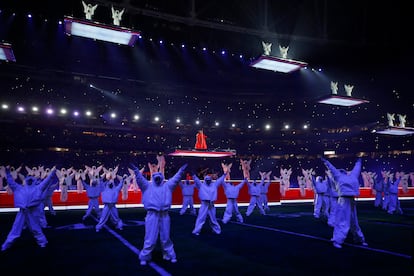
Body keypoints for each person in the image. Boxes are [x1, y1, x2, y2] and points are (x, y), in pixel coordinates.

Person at [131, 163, 187, 266]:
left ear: (161, 178)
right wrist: (135, 170)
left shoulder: (167, 187)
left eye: (159, 178)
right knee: (150, 237)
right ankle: (145, 256)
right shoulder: (147, 186)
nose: (157, 180)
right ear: (153, 178)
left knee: (166, 237)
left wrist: (181, 171)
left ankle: (169, 255)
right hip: (152, 215)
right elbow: (140, 179)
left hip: (164, 215)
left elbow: (175, 179)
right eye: (155, 178)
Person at [2, 167, 57, 251]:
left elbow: (47, 181)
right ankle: (6, 245)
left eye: (31, 179)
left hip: (32, 212)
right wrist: (8, 173)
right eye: (29, 179)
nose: (30, 180)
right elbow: (11, 182)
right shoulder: (19, 188)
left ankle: (43, 243)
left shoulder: (38, 187)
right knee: (15, 229)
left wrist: (52, 173)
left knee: (35, 228)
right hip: (23, 212)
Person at [321, 158, 368, 249]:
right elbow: (332, 168)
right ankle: (337, 240)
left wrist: (359, 160)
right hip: (343, 200)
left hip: (350, 200)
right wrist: (325, 161)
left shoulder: (349, 176)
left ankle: (359, 239)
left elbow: (356, 168)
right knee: (343, 221)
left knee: (353, 222)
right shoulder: (342, 176)